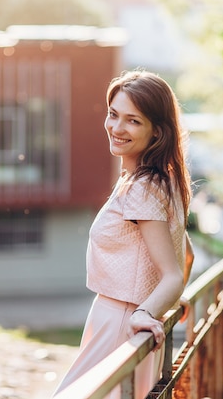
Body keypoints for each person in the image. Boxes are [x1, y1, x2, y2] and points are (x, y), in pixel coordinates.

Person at [52, 70, 195, 399]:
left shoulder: (143, 189)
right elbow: (185, 255)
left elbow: (172, 272)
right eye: (113, 114)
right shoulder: (162, 179)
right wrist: (162, 300)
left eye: (133, 121)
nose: (116, 128)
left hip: (120, 322)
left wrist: (147, 310)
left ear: (157, 132)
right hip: (118, 320)